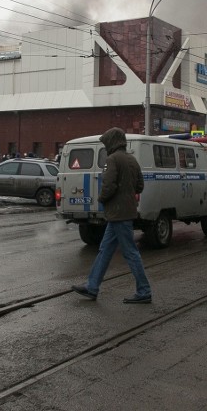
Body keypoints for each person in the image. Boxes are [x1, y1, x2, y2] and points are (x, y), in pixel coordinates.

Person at [72, 127, 151, 304]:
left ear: (112, 143)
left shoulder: (112, 159)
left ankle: (144, 290)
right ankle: (92, 287)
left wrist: (101, 199)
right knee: (105, 250)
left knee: (130, 252)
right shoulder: (132, 159)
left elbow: (108, 186)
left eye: (106, 143)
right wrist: (127, 192)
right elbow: (140, 186)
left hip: (117, 213)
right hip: (125, 212)